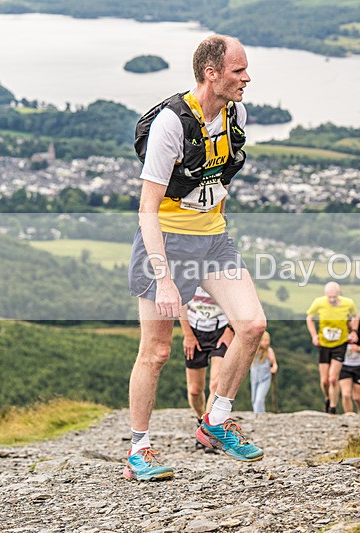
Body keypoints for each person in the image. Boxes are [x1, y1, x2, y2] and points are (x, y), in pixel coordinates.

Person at [124, 34, 267, 481]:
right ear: (212, 73)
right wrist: (165, 280)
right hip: (166, 243)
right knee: (157, 351)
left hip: (213, 240)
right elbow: (147, 208)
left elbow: (219, 179)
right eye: (238, 70)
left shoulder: (235, 114)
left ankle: (215, 421)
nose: (247, 78)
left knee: (252, 325)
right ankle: (139, 449)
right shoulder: (172, 124)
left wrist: (215, 226)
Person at [179, 286, 234, 453]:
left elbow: (237, 299)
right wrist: (187, 335)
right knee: (195, 390)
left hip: (221, 330)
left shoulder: (225, 267)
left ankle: (208, 429)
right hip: (195, 331)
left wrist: (230, 330)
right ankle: (200, 418)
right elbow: (181, 302)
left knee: (216, 384)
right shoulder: (188, 269)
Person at [305, 282, 357, 414]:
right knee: (324, 381)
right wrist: (314, 335)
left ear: (339, 294)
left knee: (333, 378)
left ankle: (333, 407)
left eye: (334, 297)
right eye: (329, 297)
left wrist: (354, 331)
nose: (332, 300)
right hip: (324, 344)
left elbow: (355, 316)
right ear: (325, 295)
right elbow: (309, 318)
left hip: (340, 343)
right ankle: (328, 398)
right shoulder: (319, 302)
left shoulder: (348, 303)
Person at [250, 331, 278, 414]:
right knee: (254, 399)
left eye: (267, 340)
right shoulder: (254, 351)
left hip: (265, 378)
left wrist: (274, 369)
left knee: (259, 399)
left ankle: (260, 415)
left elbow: (274, 364)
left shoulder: (269, 351)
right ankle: (258, 414)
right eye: (264, 340)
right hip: (255, 378)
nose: (266, 342)